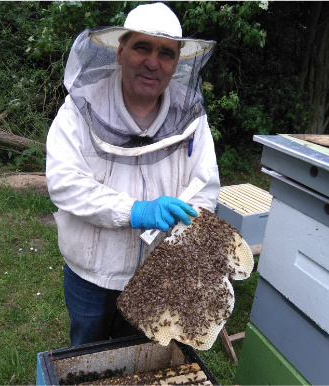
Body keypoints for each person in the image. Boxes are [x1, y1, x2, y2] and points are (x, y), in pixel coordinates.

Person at [46, 2, 220, 346]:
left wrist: (188, 232)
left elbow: (205, 185)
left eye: (166, 53)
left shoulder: (192, 117)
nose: (153, 63)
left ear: (177, 64)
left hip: (156, 274)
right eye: (142, 47)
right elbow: (64, 184)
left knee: (138, 362)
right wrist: (135, 211)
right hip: (91, 274)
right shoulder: (81, 108)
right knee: (86, 355)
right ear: (121, 53)